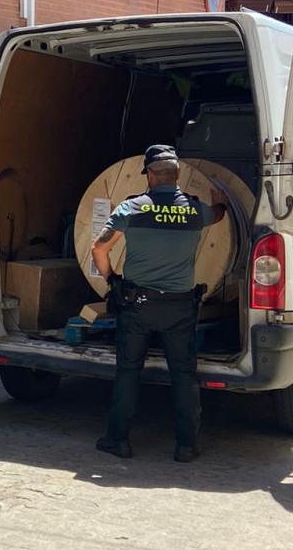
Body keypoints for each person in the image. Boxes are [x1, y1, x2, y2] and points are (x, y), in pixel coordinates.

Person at [91, 144, 227, 463]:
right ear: (177, 175)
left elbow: (99, 249)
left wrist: (113, 281)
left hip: (137, 304)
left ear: (150, 175)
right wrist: (219, 198)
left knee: (128, 372)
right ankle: (186, 446)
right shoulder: (196, 212)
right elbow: (218, 214)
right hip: (180, 307)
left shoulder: (132, 209)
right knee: (183, 374)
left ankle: (118, 441)